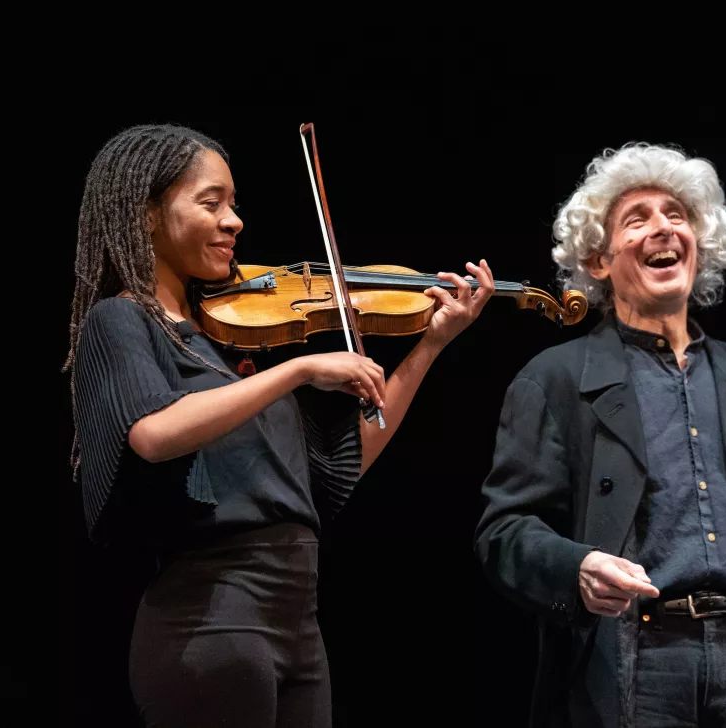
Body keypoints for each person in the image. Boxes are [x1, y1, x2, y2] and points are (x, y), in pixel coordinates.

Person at [65, 123, 494, 727]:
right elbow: (153, 432)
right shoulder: (122, 321)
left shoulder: (226, 347)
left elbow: (346, 461)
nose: (234, 221)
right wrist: (295, 370)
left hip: (297, 621)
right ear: (147, 217)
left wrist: (430, 346)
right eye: (210, 202)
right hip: (211, 619)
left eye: (233, 204)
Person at [474, 143, 726, 727]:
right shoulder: (554, 378)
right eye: (638, 219)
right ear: (599, 261)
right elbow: (504, 531)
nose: (663, 229)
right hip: (637, 658)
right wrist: (575, 567)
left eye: (677, 216)